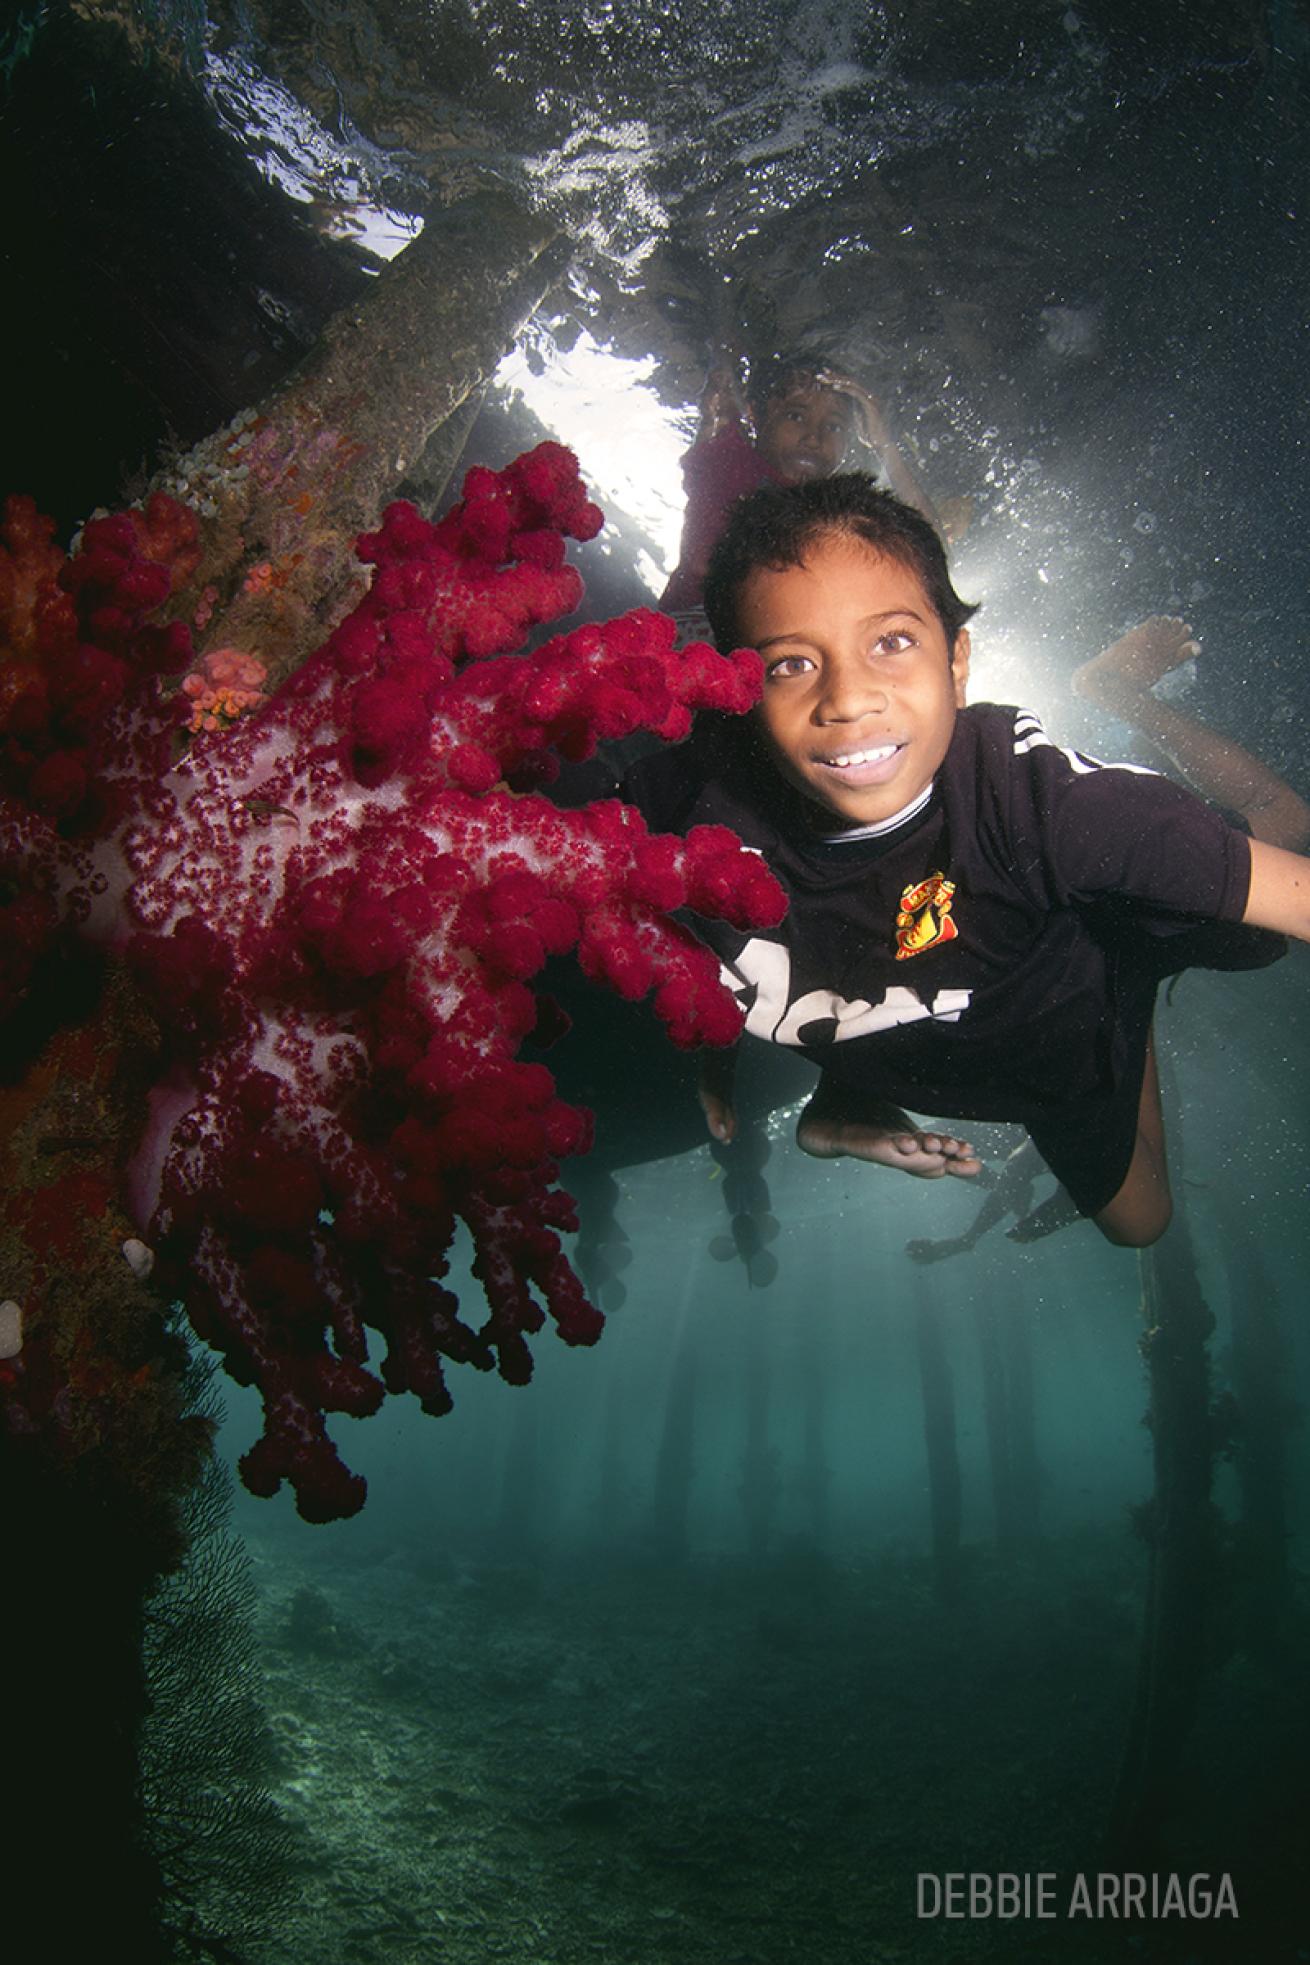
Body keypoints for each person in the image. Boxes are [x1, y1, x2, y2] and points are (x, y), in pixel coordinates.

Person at [622, 474, 1310, 1250]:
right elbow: (699, 936)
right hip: (1005, 1047)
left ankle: (1114, 689)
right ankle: (849, 1097)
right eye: (790, 664)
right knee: (1140, 1223)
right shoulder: (687, 810)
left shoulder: (1041, 805)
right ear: (743, 694)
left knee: (1291, 830)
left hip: (1089, 941)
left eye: (891, 641)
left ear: (957, 663)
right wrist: (717, 1066)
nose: (849, 698)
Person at [658, 352, 940, 631]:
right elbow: (721, 379)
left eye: (833, 426)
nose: (813, 437)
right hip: (688, 628)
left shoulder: (840, 509)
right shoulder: (725, 458)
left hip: (780, 649)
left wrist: (883, 442)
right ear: (756, 415)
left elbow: (931, 546)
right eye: (796, 416)